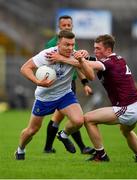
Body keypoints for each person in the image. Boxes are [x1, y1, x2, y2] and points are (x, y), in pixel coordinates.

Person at [49, 34, 137, 163]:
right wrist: (81, 55)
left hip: (127, 108)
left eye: (98, 48)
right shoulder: (118, 59)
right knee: (125, 130)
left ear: (108, 50)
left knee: (88, 119)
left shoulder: (107, 63)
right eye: (94, 48)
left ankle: (101, 155)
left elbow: (89, 65)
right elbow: (93, 60)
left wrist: (61, 58)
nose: (95, 50)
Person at [15, 30, 95, 160]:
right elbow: (25, 68)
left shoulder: (76, 55)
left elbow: (91, 76)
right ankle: (20, 149)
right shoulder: (47, 54)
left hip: (65, 95)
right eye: (66, 44)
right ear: (58, 43)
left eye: (72, 44)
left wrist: (78, 60)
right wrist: (38, 82)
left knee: (79, 121)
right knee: (32, 130)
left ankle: (63, 135)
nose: (70, 48)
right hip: (44, 98)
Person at [43, 15, 94, 154]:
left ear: (72, 26)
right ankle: (82, 147)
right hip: (57, 85)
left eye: (68, 25)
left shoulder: (72, 43)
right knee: (70, 117)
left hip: (70, 83)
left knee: (60, 117)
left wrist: (85, 83)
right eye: (63, 25)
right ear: (59, 27)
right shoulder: (52, 44)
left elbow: (77, 66)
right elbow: (53, 64)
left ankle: (48, 148)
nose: (66, 27)